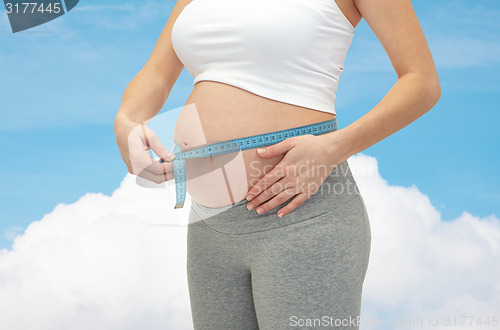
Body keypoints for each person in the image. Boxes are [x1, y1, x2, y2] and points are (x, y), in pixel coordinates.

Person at [113, 0, 441, 328]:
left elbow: (421, 82)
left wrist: (332, 149)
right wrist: (127, 121)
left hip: (303, 218)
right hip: (209, 226)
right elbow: (156, 73)